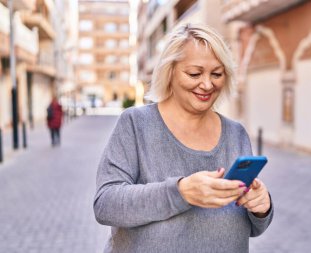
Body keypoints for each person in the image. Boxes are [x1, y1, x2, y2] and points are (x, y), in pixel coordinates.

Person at [94, 23, 273, 253]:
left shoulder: (236, 133)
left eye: (217, 74)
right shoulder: (136, 124)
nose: (207, 84)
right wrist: (181, 192)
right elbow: (106, 204)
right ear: (170, 72)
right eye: (194, 73)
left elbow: (251, 227)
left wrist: (261, 208)